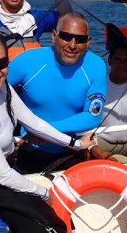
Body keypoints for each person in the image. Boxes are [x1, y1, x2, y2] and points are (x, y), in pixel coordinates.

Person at [0, 31, 95, 233]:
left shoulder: (2, 88)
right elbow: (1, 174)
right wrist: (42, 193)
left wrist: (76, 144)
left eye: (1, 63)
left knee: (53, 223)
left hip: (6, 171)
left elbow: (34, 123)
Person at [7, 11, 107, 173]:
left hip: (70, 150)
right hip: (29, 148)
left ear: (88, 42)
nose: (72, 45)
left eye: (80, 39)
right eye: (66, 36)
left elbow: (92, 116)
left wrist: (44, 131)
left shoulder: (96, 65)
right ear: (54, 36)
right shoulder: (27, 60)